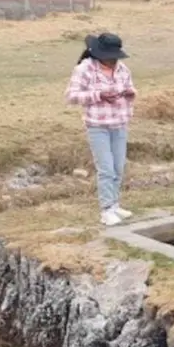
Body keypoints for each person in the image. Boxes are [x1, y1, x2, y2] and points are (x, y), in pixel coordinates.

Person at [64, 33, 137, 226]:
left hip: (120, 123)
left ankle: (114, 204)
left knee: (118, 168)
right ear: (98, 54)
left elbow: (131, 89)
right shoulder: (85, 69)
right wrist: (99, 95)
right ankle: (106, 210)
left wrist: (128, 93)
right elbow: (71, 96)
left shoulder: (123, 70)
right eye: (109, 57)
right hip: (98, 125)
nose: (113, 61)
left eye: (115, 57)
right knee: (106, 168)